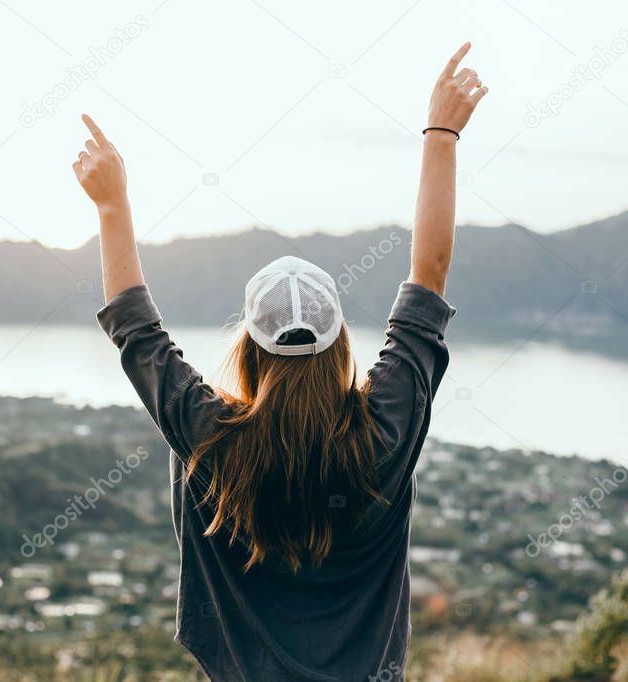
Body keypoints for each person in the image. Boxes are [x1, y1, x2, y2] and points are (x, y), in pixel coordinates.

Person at [72, 42, 487, 682]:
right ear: (341, 341)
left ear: (249, 348)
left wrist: (111, 203)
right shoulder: (383, 435)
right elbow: (429, 274)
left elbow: (135, 328)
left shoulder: (212, 439)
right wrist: (441, 133)